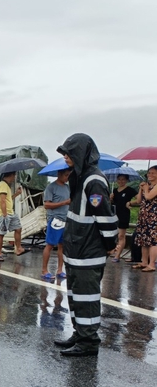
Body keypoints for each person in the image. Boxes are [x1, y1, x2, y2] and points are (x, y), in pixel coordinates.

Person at [54, 133, 117, 357]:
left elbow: (105, 216)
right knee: (76, 296)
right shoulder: (79, 177)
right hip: (76, 251)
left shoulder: (94, 181)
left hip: (88, 252)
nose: (66, 158)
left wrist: (111, 243)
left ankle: (89, 342)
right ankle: (80, 334)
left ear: (80, 153)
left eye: (68, 153)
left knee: (87, 298)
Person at [40, 168, 71, 280]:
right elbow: (47, 205)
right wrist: (64, 202)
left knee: (62, 246)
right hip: (55, 220)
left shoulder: (67, 187)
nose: (67, 178)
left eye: (69, 175)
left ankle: (59, 270)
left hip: (65, 219)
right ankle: (44, 271)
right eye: (66, 175)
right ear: (59, 174)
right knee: (50, 245)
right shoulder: (51, 187)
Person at [0, 171, 28, 261]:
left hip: (11, 213)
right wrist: (5, 214)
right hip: (4, 214)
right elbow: (2, 201)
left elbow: (8, 199)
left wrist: (17, 193)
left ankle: (19, 248)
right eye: (14, 176)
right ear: (11, 175)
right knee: (2, 233)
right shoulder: (2, 185)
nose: (14, 178)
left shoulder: (6, 186)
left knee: (18, 228)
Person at [131, 166, 157, 272]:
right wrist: (141, 188)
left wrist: (146, 189)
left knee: (153, 240)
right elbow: (138, 200)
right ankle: (144, 262)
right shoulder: (147, 185)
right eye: (149, 173)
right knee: (143, 239)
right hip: (144, 215)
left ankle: (151, 264)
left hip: (153, 215)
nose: (150, 175)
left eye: (153, 173)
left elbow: (149, 197)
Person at [109, 173, 138, 262]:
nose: (121, 181)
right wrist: (110, 198)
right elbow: (111, 203)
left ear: (126, 180)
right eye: (119, 179)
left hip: (124, 214)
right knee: (114, 235)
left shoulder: (130, 190)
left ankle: (117, 256)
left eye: (123, 179)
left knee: (121, 235)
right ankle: (113, 251)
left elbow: (139, 199)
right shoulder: (114, 190)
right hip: (114, 215)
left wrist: (130, 203)